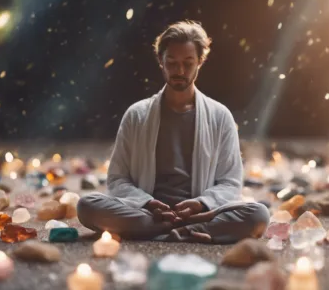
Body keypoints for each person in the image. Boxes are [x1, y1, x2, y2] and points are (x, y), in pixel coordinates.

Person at [77, 20, 269, 244]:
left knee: (258, 214)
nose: (180, 71)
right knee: (87, 206)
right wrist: (148, 203)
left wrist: (200, 203)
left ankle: (166, 230)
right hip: (148, 214)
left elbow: (230, 182)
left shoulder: (220, 116)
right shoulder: (136, 115)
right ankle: (184, 231)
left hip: (199, 213)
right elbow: (118, 179)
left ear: (200, 62)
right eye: (172, 62)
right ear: (161, 62)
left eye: (188, 63)